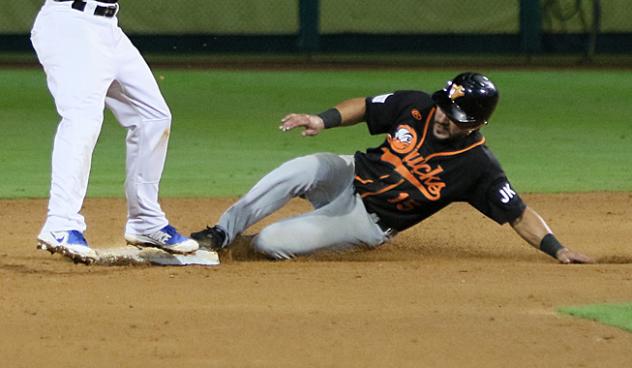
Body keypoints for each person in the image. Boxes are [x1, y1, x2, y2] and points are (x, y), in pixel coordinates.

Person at [191, 72, 592, 264]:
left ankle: (250, 245)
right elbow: (366, 106)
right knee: (302, 167)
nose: (443, 118)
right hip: (350, 174)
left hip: (369, 220)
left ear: (477, 124)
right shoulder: (417, 104)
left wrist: (557, 249)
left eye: (456, 117)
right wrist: (322, 119)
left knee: (269, 244)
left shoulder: (478, 167)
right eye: (445, 108)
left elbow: (518, 213)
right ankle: (221, 232)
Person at [31, 0, 198, 264]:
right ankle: (61, 223)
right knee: (82, 118)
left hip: (107, 27)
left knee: (153, 117)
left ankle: (145, 220)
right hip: (70, 25)